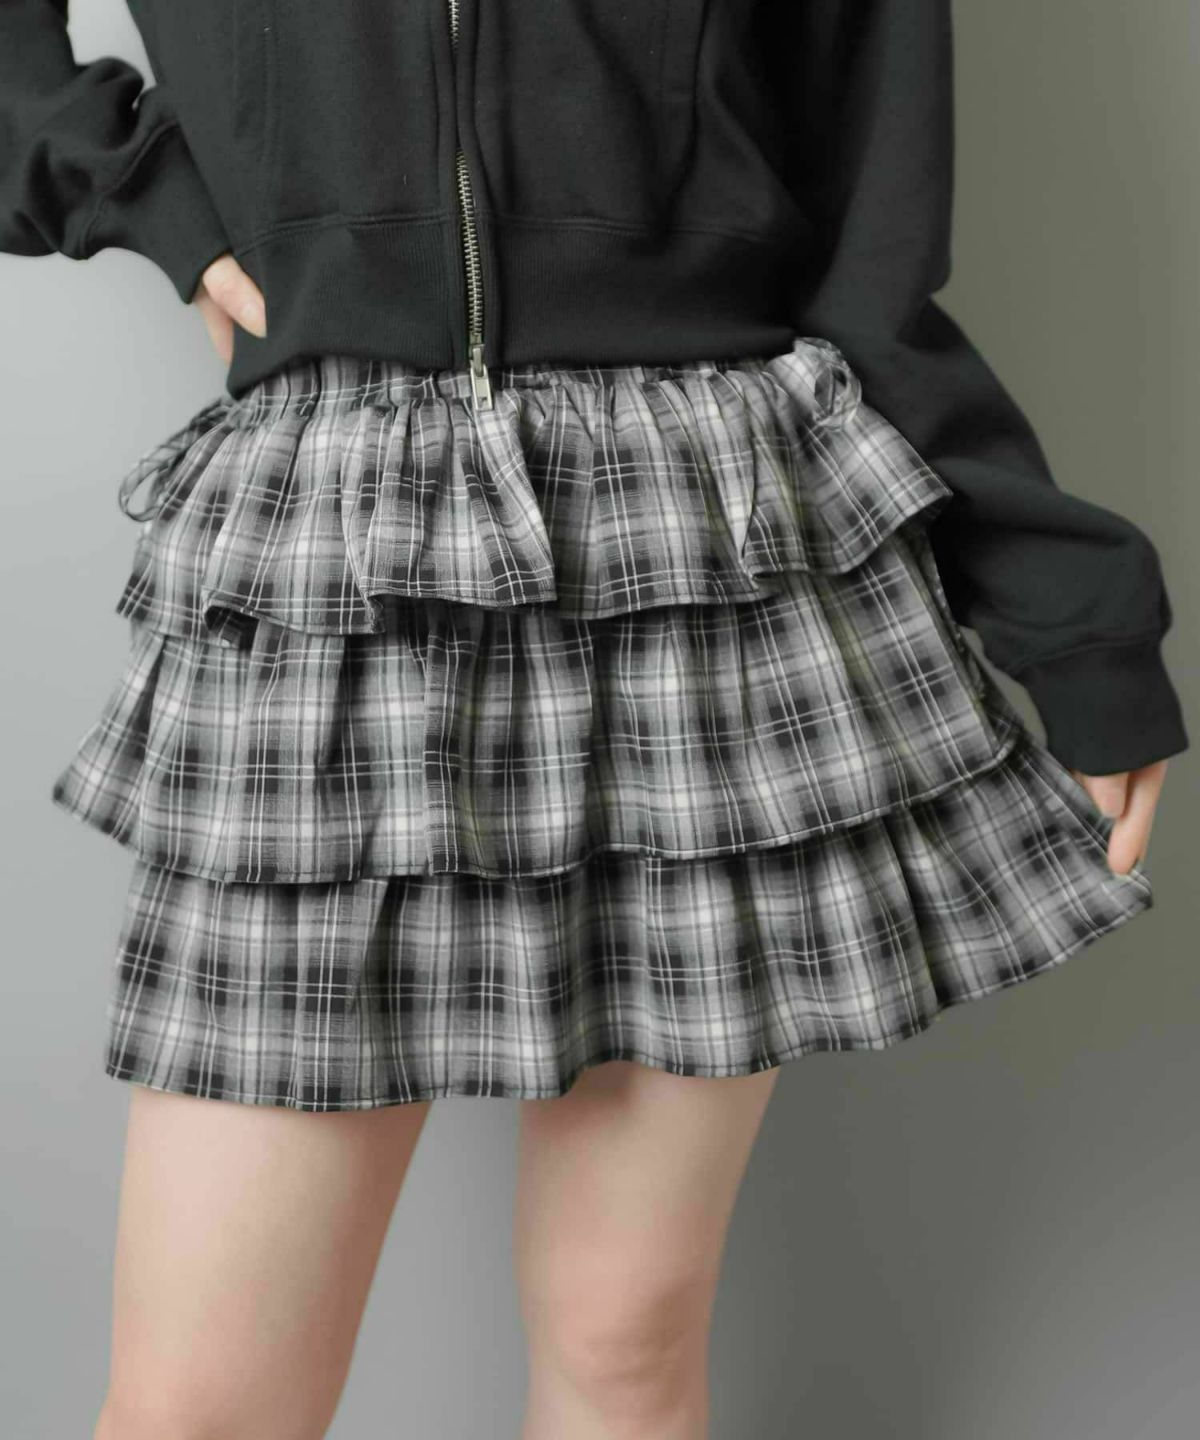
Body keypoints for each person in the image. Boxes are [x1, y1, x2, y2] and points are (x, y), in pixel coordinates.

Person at [1, 2, 1188, 1437]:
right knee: (201, 1407)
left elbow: (875, 234)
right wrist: (131, 185)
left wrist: (1064, 603)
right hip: (339, 555)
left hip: (704, 547)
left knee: (623, 1343)